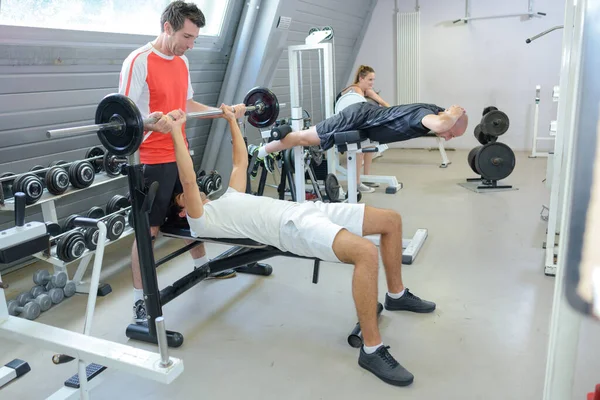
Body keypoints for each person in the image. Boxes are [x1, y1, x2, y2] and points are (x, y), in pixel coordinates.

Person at [165, 104, 436, 387]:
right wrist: (175, 130)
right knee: (365, 253)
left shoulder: (228, 198)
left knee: (391, 220)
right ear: (183, 212)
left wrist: (232, 120)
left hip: (305, 209)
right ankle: (371, 349)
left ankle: (397, 294)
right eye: (182, 197)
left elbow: (239, 163)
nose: (189, 193)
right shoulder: (201, 220)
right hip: (292, 228)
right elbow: (188, 179)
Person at [118, 1, 246, 324]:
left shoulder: (182, 62)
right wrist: (149, 124)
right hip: (151, 159)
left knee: (194, 212)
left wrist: (222, 112)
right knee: (149, 231)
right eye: (187, 37)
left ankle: (202, 267)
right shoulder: (138, 61)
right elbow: (123, 117)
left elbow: (187, 103)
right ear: (167, 27)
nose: (190, 45)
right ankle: (140, 300)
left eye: (194, 39)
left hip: (181, 153)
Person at [249, 101, 469, 178]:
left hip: (362, 118)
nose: (448, 137)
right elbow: (441, 124)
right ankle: (260, 151)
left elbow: (443, 124)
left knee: (307, 137)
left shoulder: (432, 112)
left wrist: (453, 116)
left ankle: (269, 149)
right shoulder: (425, 116)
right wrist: (454, 114)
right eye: (452, 134)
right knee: (304, 138)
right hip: (358, 117)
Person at [336, 65, 390, 193]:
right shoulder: (355, 89)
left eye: (373, 80)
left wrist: (393, 113)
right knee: (360, 147)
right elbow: (360, 109)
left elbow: (383, 103)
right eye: (370, 79)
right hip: (342, 123)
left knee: (370, 142)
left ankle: (366, 176)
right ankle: (356, 183)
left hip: (355, 122)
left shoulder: (366, 89)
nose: (372, 83)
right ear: (361, 78)